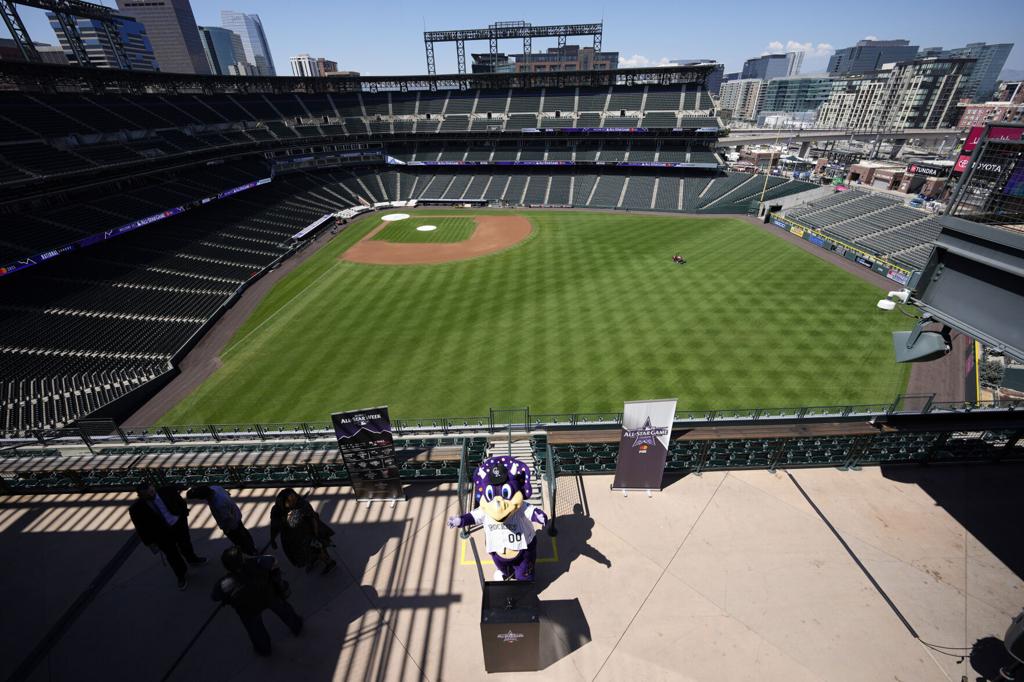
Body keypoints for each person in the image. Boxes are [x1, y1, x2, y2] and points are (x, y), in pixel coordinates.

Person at [212, 547, 303, 656]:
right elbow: (272, 560)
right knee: (283, 610)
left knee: (255, 629)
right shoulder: (258, 562)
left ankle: (264, 648)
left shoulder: (226, 583)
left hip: (248, 609)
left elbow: (215, 596)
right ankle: (296, 626)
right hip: (268, 595)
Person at [129, 481, 207, 590]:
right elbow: (141, 528)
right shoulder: (136, 509)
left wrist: (184, 514)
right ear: (141, 496)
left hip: (178, 525)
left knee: (186, 544)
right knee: (172, 556)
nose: (151, 495)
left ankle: (192, 559)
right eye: (147, 494)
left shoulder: (167, 491)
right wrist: (150, 543)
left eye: (152, 492)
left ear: (153, 487)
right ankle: (181, 574)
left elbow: (180, 502)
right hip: (162, 535)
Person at [269, 488, 336, 574]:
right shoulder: (276, 511)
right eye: (290, 501)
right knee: (304, 553)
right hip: (292, 539)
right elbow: (274, 526)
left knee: (317, 549)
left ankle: (329, 562)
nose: (293, 502)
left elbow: (313, 518)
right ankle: (312, 559)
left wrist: (315, 535)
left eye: (294, 498)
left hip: (307, 532)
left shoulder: (302, 504)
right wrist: (272, 539)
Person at [187, 485, 257, 555]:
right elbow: (227, 493)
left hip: (232, 524)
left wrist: (226, 529)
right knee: (243, 532)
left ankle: (250, 551)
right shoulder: (215, 488)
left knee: (239, 539)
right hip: (236, 515)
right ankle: (252, 548)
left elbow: (227, 519)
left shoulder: (218, 504)